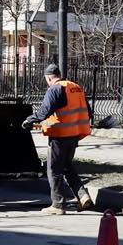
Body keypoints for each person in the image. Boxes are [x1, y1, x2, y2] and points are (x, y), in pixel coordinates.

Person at [24, 63, 94, 216]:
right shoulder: (75, 87)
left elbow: (44, 112)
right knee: (67, 166)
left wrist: (29, 120)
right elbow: (88, 111)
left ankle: (58, 204)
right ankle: (83, 196)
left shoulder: (55, 89)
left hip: (60, 136)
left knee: (53, 169)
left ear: (49, 78)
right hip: (75, 134)